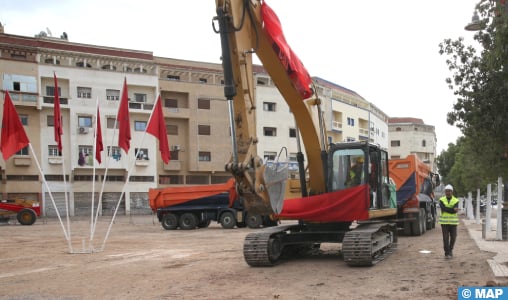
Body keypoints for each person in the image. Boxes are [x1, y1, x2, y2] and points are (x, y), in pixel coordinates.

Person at [439, 184, 459, 259]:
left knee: (454, 237)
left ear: (452, 192)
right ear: (445, 192)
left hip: (453, 223)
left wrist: (447, 209)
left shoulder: (456, 200)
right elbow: (443, 208)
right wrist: (452, 209)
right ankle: (447, 253)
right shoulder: (441, 200)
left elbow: (454, 211)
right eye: (446, 191)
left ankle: (450, 250)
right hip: (444, 223)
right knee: (445, 238)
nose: (448, 192)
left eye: (449, 191)